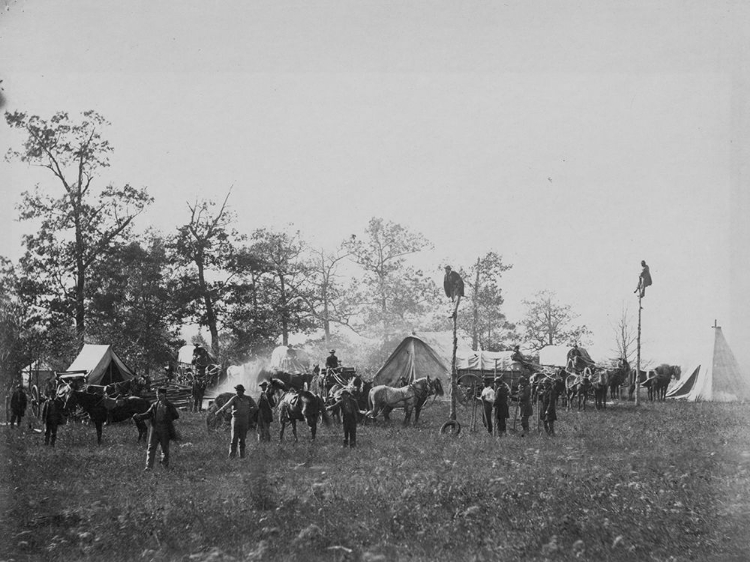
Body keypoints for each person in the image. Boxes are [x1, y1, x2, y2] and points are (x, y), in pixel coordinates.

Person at [134, 388, 180, 470]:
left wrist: (168, 420)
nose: (158, 396)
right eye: (157, 394)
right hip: (154, 428)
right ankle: (148, 467)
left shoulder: (169, 405)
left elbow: (176, 415)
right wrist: (140, 416)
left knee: (164, 448)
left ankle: (164, 466)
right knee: (151, 447)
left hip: (165, 429)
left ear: (164, 395)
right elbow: (148, 414)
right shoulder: (154, 405)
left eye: (160, 394)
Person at [214, 384, 257, 459]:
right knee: (234, 439)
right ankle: (231, 456)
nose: (237, 392)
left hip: (244, 420)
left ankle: (242, 456)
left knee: (242, 439)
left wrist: (249, 411)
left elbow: (255, 407)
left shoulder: (248, 398)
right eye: (237, 390)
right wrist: (219, 411)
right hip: (236, 420)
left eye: (239, 391)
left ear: (242, 391)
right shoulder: (234, 398)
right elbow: (227, 405)